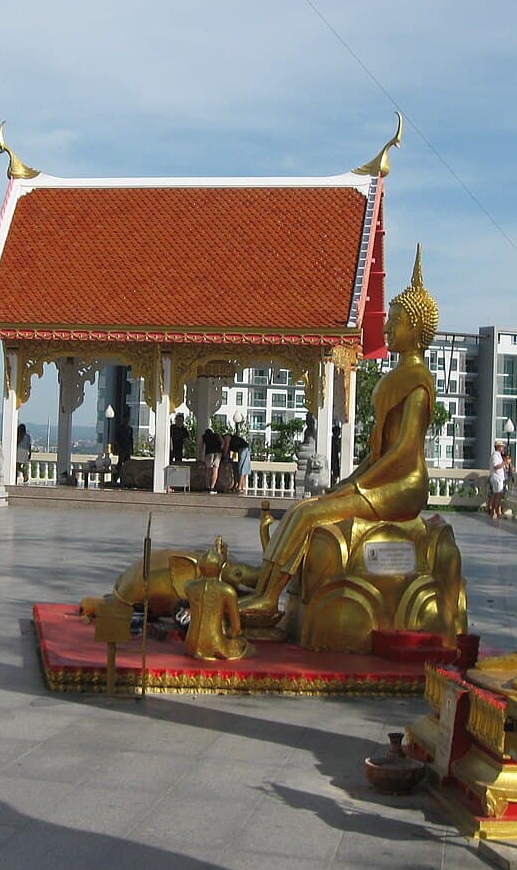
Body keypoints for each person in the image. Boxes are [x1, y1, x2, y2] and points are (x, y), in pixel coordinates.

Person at [240, 247, 437, 623]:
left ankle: (270, 597)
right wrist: (349, 480)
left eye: (396, 322)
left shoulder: (417, 382)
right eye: (389, 321)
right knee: (301, 508)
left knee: (311, 513)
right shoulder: (394, 378)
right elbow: (378, 449)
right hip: (382, 478)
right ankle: (264, 588)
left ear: (416, 328)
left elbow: (402, 453)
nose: (388, 329)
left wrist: (357, 487)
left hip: (404, 486)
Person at [183, 543, 254, 661]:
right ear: (220, 568)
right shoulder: (227, 591)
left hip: (190, 645)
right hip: (215, 645)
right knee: (245, 646)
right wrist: (229, 636)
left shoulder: (189, 587)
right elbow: (236, 627)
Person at [488, 440, 507, 518]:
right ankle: (494, 512)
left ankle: (493, 511)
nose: (503, 448)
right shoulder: (495, 455)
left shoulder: (498, 455)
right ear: (498, 447)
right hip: (497, 478)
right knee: (498, 496)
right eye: (502, 446)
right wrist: (504, 463)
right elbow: (496, 466)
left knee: (496, 495)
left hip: (497, 478)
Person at [201, 427, 222, 493]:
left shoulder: (204, 437)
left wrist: (200, 457)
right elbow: (222, 443)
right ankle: (212, 487)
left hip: (209, 453)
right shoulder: (217, 435)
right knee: (215, 469)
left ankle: (207, 487)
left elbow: (202, 446)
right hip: (218, 453)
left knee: (208, 470)